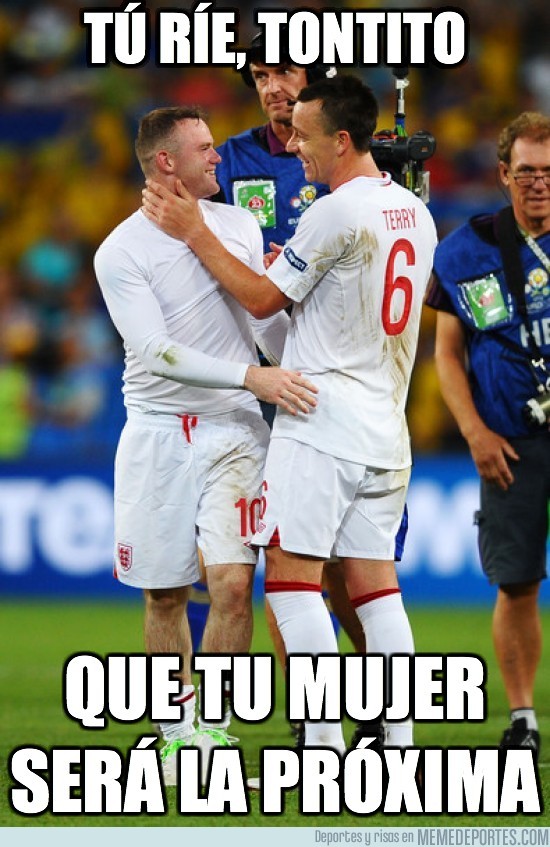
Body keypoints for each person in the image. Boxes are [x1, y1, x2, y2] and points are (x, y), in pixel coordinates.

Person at [142, 75, 438, 755]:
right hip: (385, 426)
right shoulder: (414, 212)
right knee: (375, 589)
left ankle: (323, 747)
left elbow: (258, 300)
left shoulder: (332, 213)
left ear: (342, 139)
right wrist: (300, 277)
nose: (294, 146)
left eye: (305, 136)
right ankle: (397, 747)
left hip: (320, 418)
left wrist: (195, 232)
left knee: (292, 579)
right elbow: (354, 296)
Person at [93, 105, 318, 785]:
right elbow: (154, 352)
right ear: (167, 162)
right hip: (158, 433)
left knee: (232, 583)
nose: (219, 157)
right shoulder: (120, 251)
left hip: (235, 429)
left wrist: (302, 359)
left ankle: (212, 735)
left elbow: (261, 324)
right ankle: (175, 734)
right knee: (164, 595)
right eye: (205, 148)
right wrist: (253, 376)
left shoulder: (239, 225)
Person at [427, 111, 550, 758]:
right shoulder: (464, 249)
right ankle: (524, 717)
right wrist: (473, 431)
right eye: (526, 172)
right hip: (508, 440)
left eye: (549, 172)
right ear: (503, 173)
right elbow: (447, 354)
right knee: (517, 582)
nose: (539, 184)